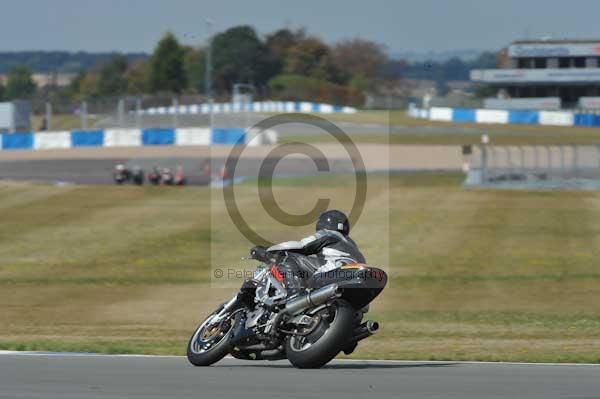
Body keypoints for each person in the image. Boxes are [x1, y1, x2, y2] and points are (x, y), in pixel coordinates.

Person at [251, 210, 365, 298]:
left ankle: (293, 295)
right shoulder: (354, 248)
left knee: (286, 257)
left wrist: (268, 251)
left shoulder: (329, 234)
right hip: (356, 290)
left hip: (333, 273)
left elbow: (302, 246)